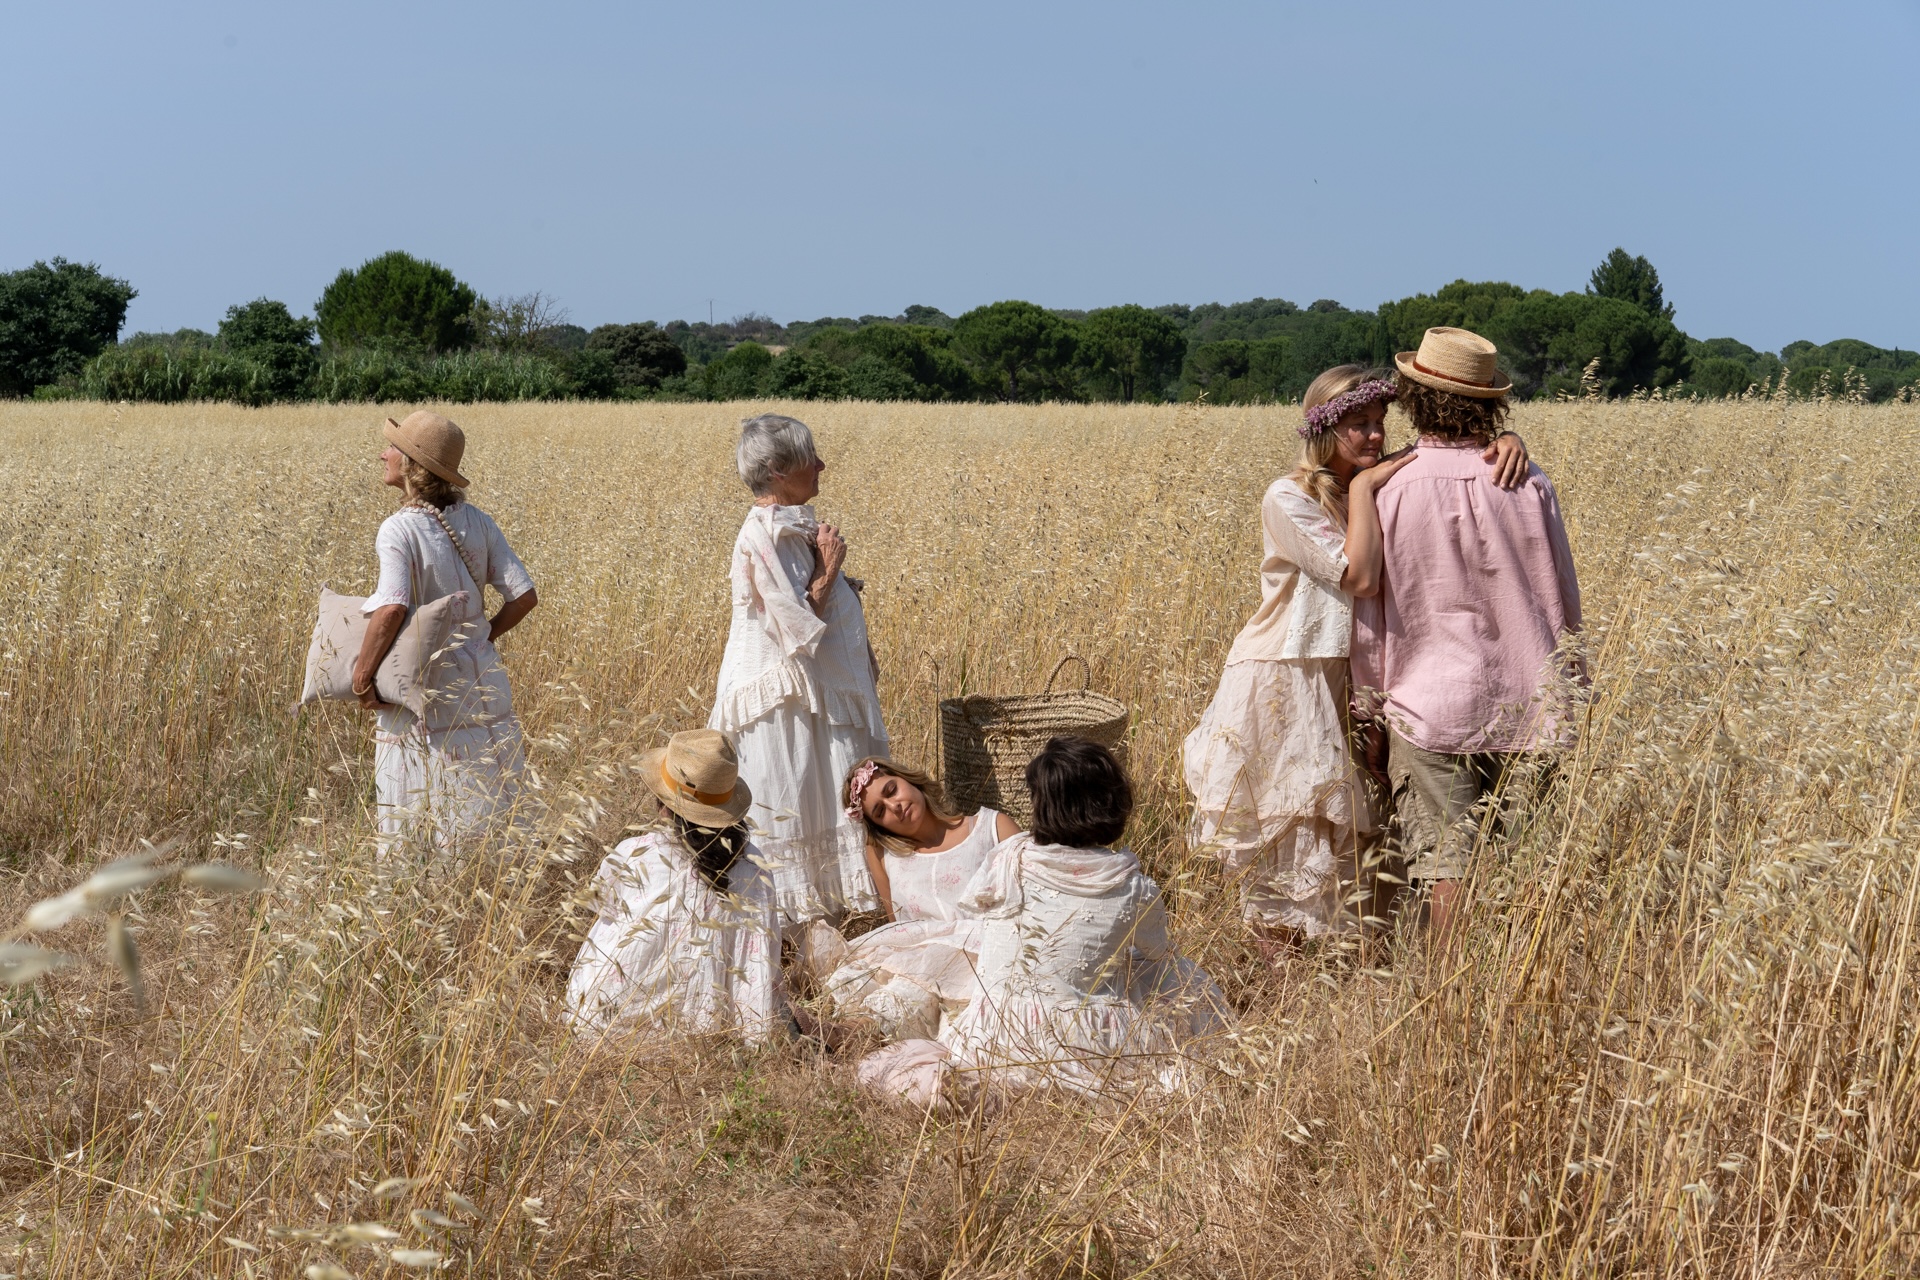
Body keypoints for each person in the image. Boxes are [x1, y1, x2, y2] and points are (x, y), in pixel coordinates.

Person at [1182, 367, 1529, 960]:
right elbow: (1360, 578)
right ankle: (1277, 977)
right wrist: (1366, 488)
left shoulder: (1381, 482)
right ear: (1323, 429)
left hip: (1356, 674)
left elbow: (1445, 461)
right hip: (1289, 673)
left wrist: (1509, 440)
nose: (1374, 435)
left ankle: (1348, 966)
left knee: (1359, 824)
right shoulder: (1289, 497)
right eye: (1358, 425)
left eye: (1378, 422)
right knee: (1291, 821)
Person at [1352, 328, 1583, 944]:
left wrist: (1370, 712)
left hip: (1428, 708)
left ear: (1411, 397)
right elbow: (1564, 597)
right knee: (1525, 870)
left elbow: (1370, 618)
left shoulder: (1389, 488)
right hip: (1532, 704)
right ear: (1490, 403)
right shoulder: (1529, 481)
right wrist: (1575, 691)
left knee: (1446, 869)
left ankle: (1451, 991)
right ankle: (1518, 985)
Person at [860, 738, 1229, 1109]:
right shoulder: (1133, 888)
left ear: (1041, 806)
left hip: (992, 1027)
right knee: (1177, 974)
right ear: (1113, 799)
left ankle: (973, 1083)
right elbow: (1159, 953)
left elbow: (977, 910)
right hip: (1074, 1037)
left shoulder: (1008, 856)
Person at [710, 415, 888, 928]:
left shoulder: (788, 526)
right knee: (797, 798)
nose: (822, 465)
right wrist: (829, 570)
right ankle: (796, 929)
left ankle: (824, 927)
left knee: (814, 797)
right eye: (811, 458)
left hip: (809, 695)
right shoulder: (769, 534)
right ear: (778, 471)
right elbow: (795, 627)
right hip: (789, 700)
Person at [353, 411, 538, 851]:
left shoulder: (398, 528)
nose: (383, 454)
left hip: (420, 683)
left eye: (392, 448)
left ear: (412, 465)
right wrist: (480, 638)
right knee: (485, 794)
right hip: (481, 679)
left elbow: (392, 607)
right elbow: (524, 596)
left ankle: (419, 878)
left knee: (417, 796)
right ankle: (487, 878)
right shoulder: (479, 522)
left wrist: (361, 676)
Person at [564, 729, 787, 1042]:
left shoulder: (632, 853)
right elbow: (765, 953)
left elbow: (600, 909)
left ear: (663, 805)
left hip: (606, 1021)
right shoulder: (754, 866)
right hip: (703, 1032)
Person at [820, 758, 1019, 1040]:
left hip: (986, 957)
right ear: (879, 826)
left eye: (891, 790)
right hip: (918, 965)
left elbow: (1033, 901)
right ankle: (848, 1032)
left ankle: (856, 1032)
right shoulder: (882, 854)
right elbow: (898, 930)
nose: (894, 806)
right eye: (880, 811)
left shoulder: (992, 827)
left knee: (931, 973)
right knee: (871, 977)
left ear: (909, 779)